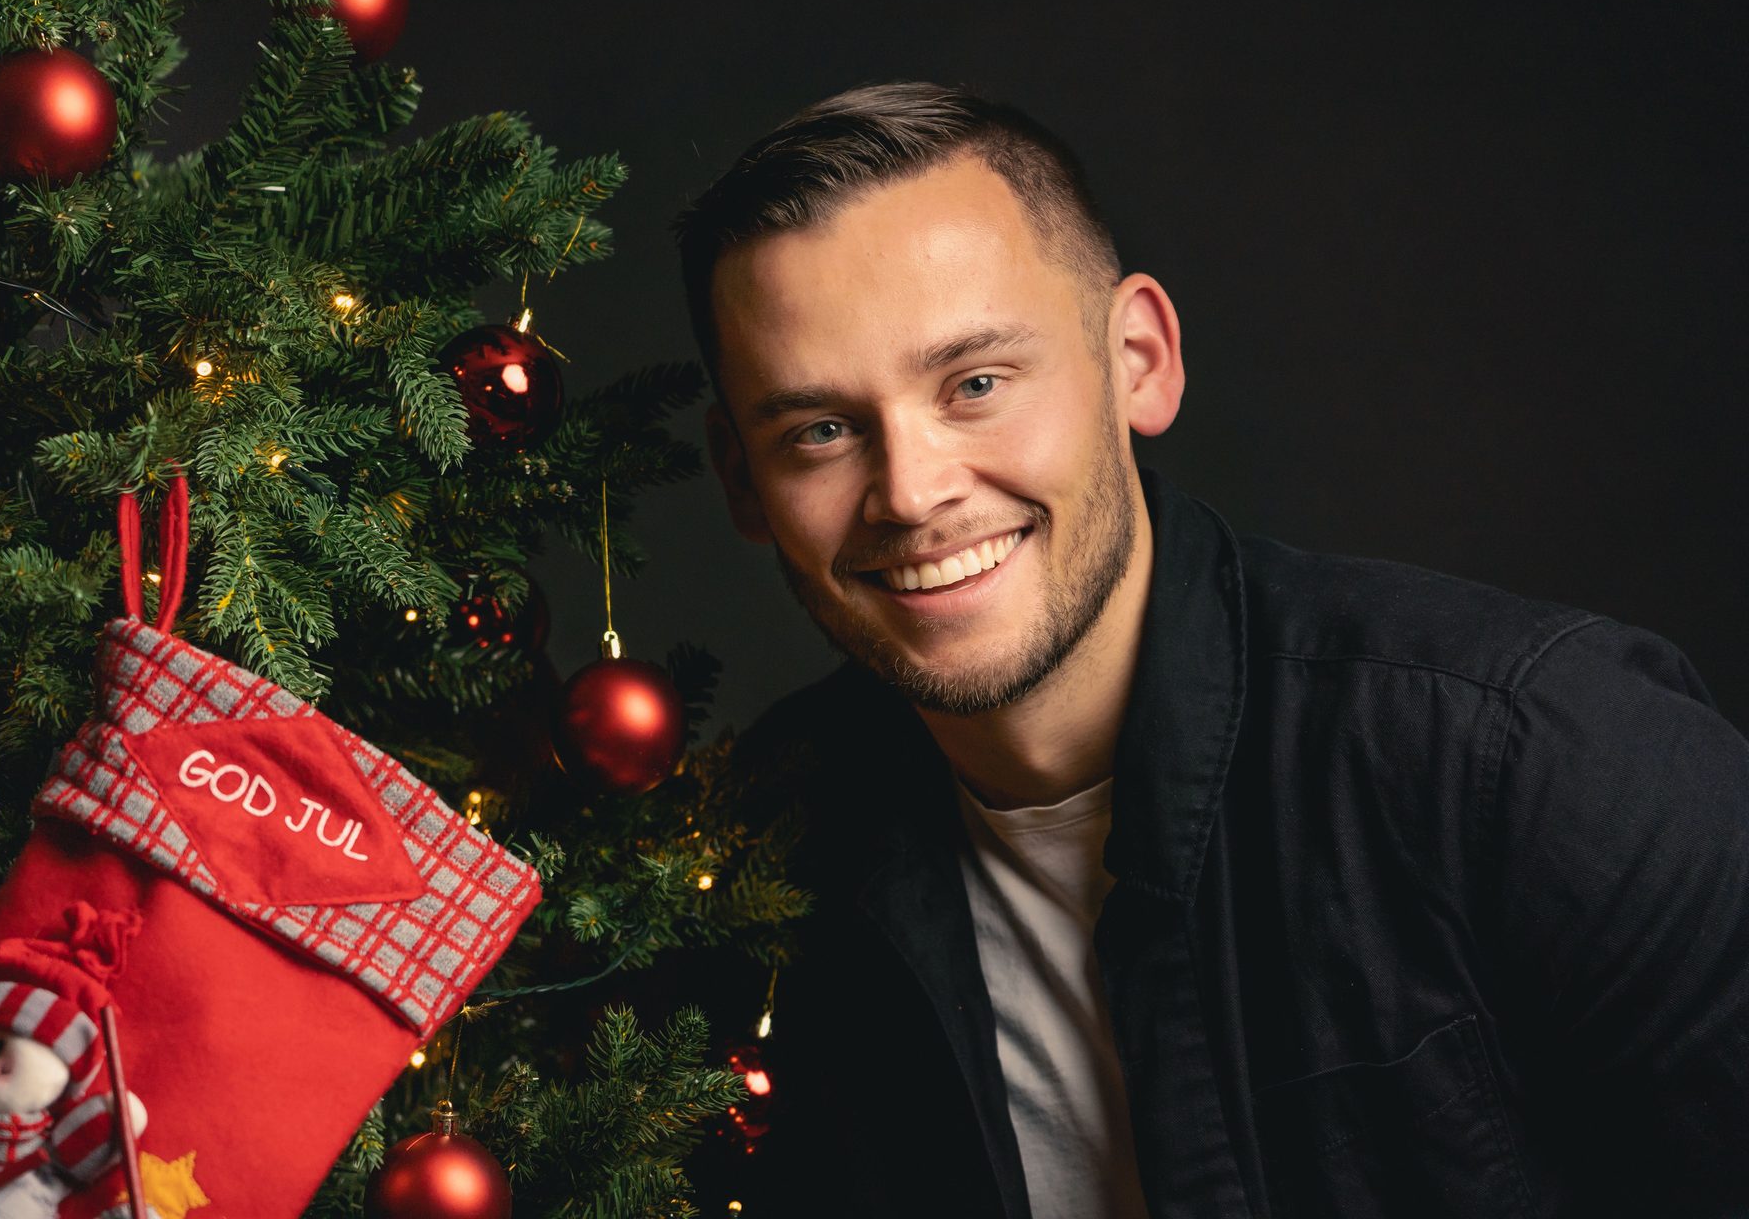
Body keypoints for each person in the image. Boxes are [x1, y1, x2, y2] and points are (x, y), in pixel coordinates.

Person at [674, 81, 1749, 1219]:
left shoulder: (1539, 758)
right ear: (744, 480)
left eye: (977, 383)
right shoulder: (740, 871)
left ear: (1139, 358)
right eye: (822, 432)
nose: (913, 489)